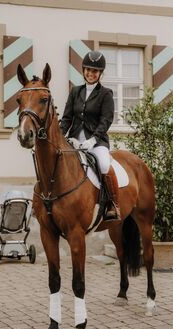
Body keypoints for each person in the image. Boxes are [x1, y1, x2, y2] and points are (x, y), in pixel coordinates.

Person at [60, 50, 120, 221]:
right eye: (88, 69)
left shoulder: (105, 94)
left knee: (103, 164)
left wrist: (92, 140)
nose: (90, 73)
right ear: (83, 70)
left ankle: (112, 204)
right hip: (73, 140)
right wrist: (60, 137)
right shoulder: (75, 91)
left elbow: (106, 120)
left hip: (96, 141)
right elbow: (67, 118)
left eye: (94, 71)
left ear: (100, 73)